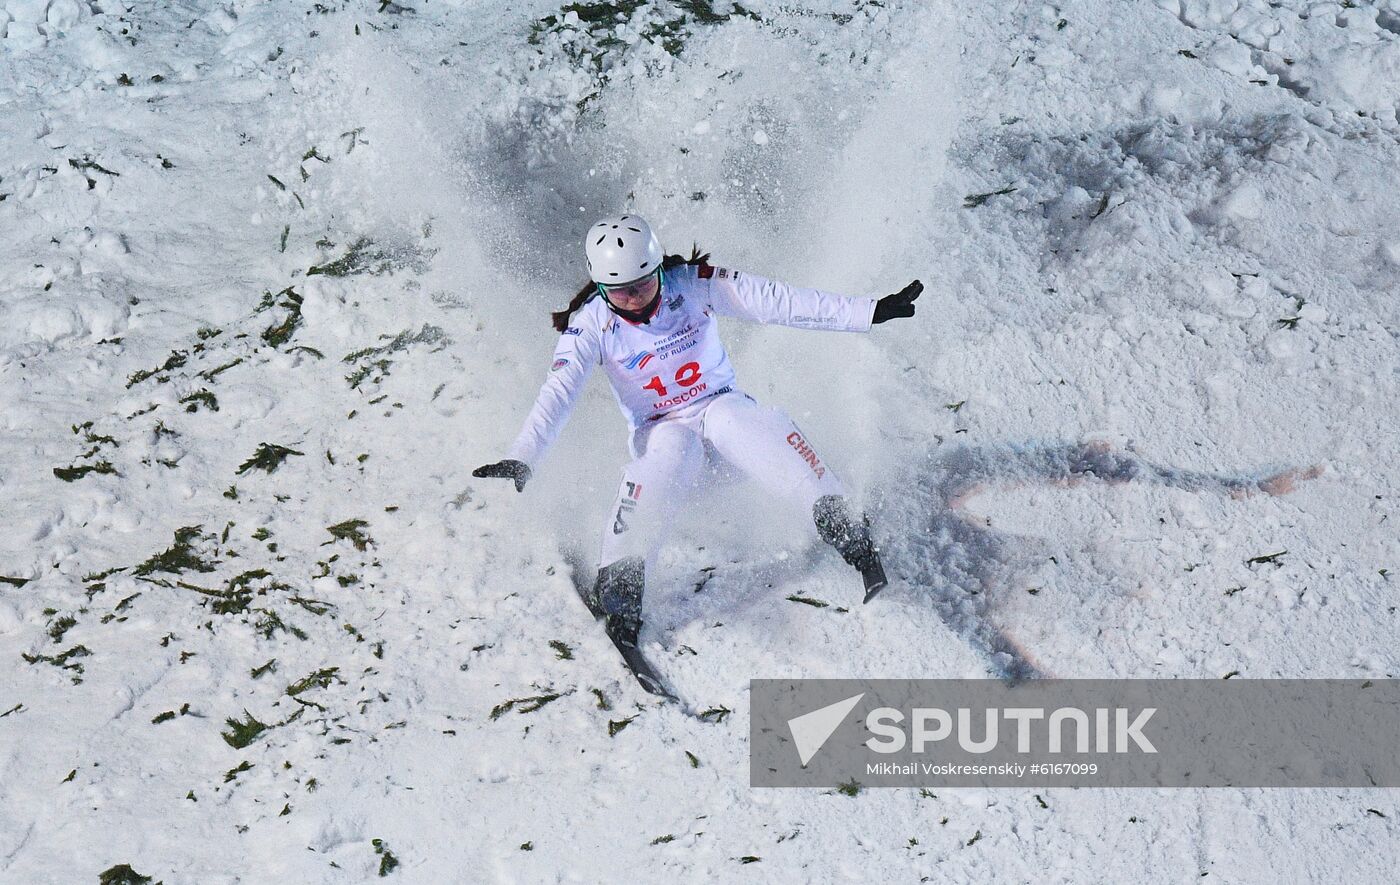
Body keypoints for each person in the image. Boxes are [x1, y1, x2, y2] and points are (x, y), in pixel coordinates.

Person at [474, 214, 921, 688]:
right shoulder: (591, 327)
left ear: (658, 268)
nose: (635, 299)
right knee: (670, 447)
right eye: (620, 290)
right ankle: (620, 586)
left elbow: (778, 302)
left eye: (645, 284)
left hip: (724, 422)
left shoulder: (695, 284)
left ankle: (845, 526)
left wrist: (868, 312)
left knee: (739, 419)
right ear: (600, 285)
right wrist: (523, 455)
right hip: (667, 439)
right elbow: (557, 392)